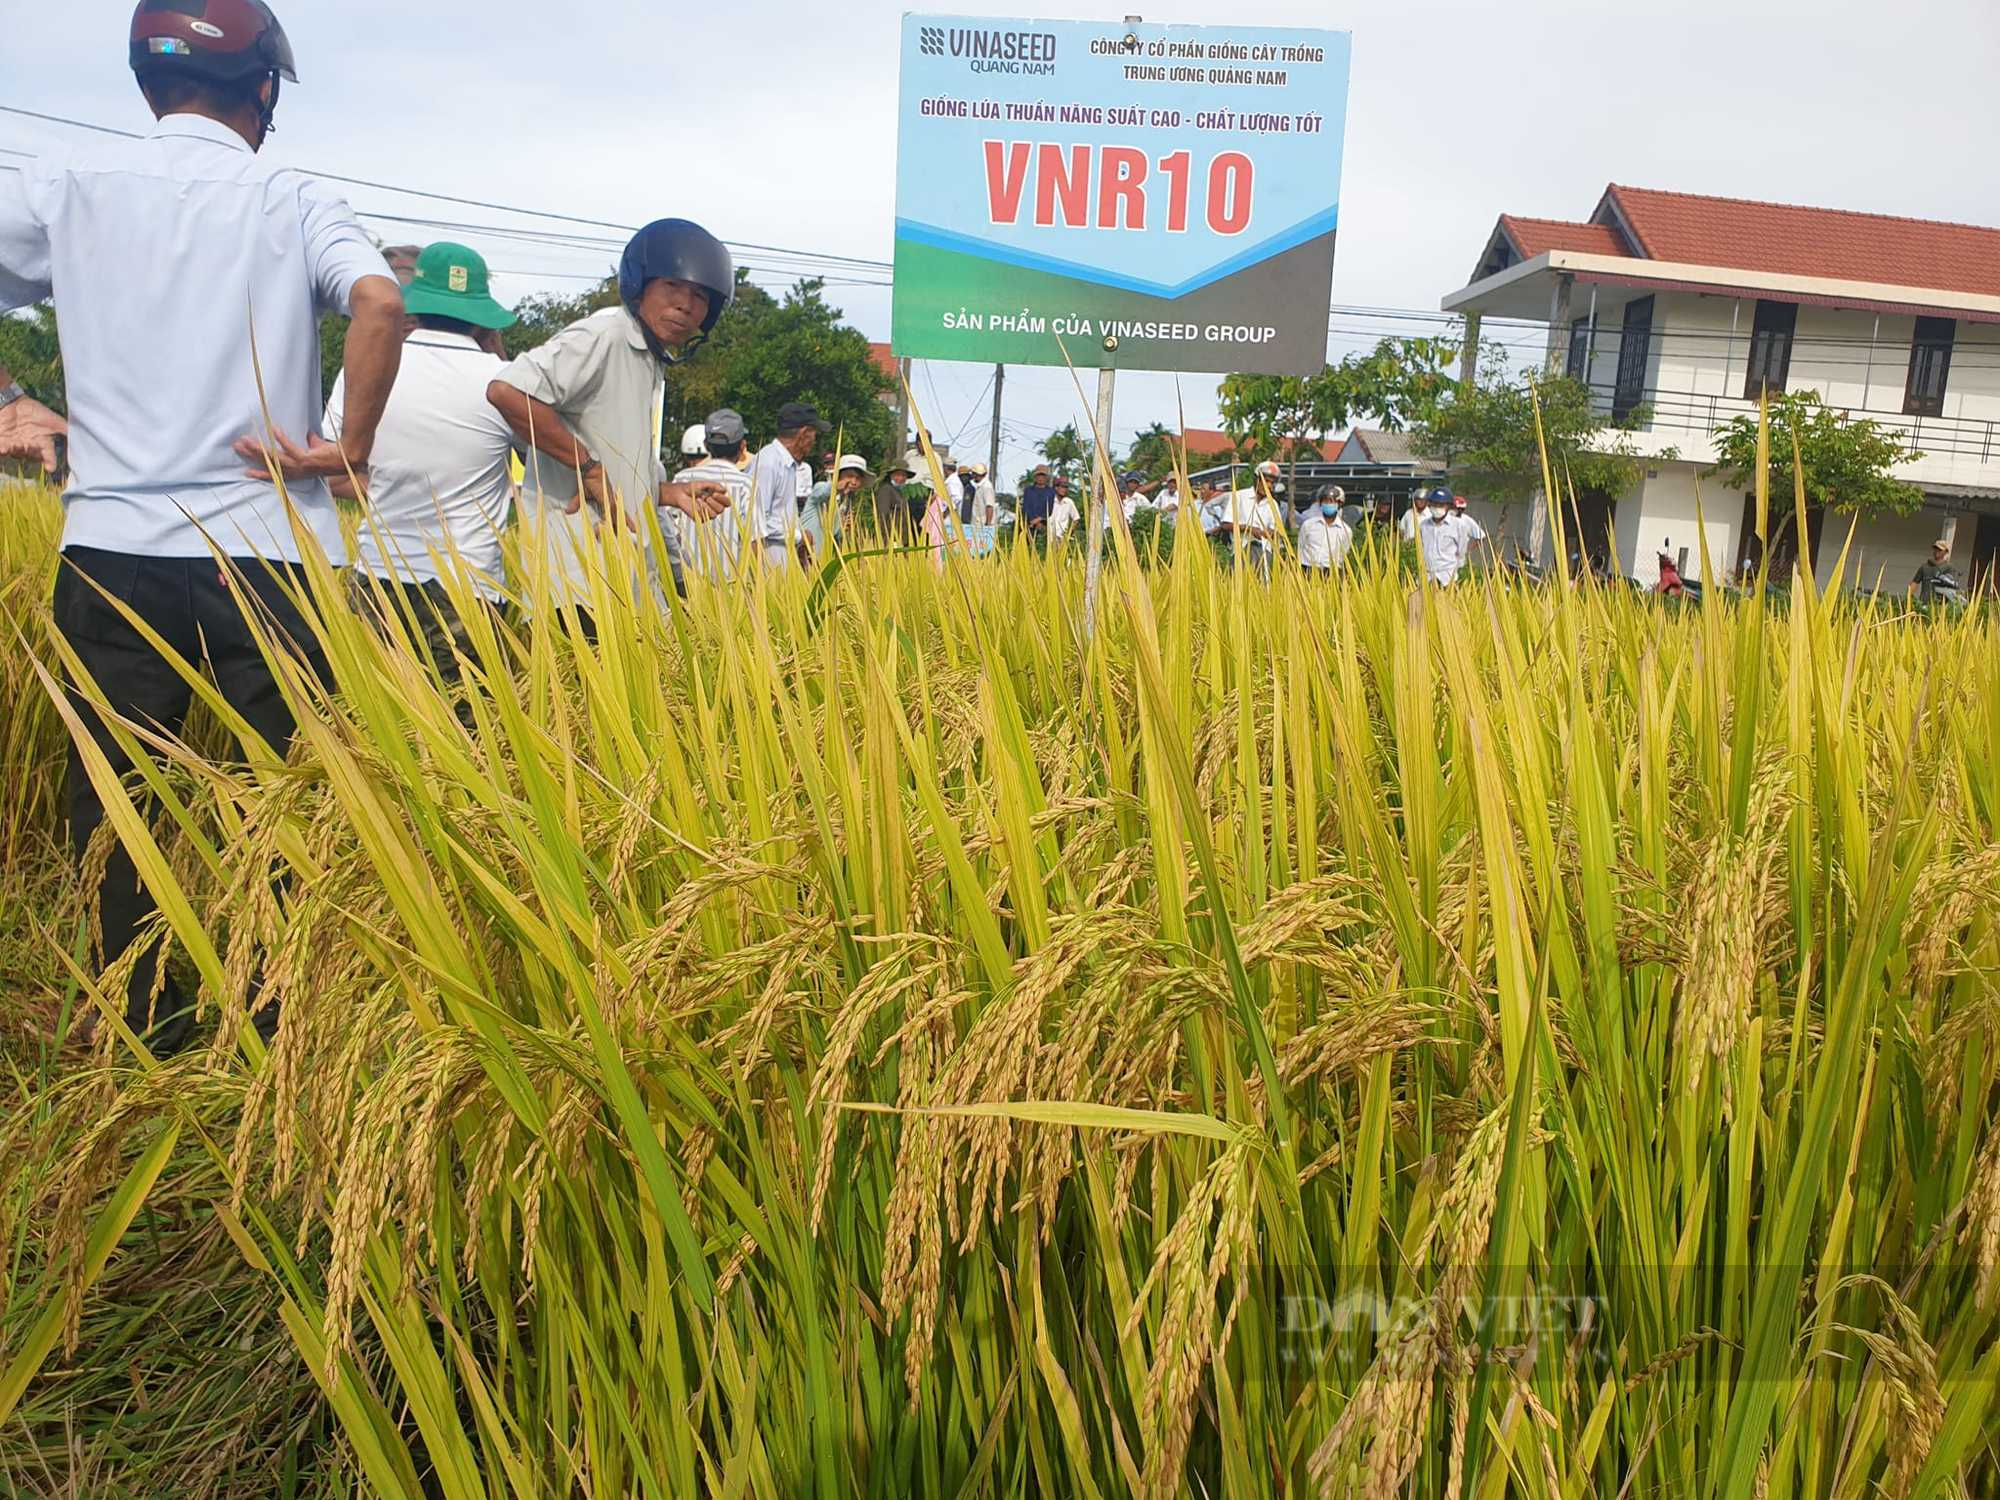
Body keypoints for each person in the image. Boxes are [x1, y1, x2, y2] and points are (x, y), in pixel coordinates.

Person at [0, 0, 404, 1050]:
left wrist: (10, 398)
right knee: (288, 795)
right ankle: (276, 1021)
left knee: (121, 800)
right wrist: (347, 448)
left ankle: (139, 1024)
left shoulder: (68, 183)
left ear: (147, 84)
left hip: (111, 556)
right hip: (263, 556)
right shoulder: (295, 194)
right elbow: (378, 303)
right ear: (264, 88)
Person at [488, 218, 734, 628]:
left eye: (699, 296)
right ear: (640, 284)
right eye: (672, 286)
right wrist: (587, 467)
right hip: (579, 589)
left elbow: (613, 458)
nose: (685, 305)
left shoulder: (646, 358)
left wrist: (668, 493)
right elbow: (508, 391)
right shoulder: (607, 335)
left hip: (620, 582)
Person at [325, 241, 517, 683]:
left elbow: (334, 465)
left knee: (379, 721)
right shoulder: (504, 382)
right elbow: (540, 460)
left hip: (377, 574)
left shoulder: (365, 370)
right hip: (468, 589)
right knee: (469, 730)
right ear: (482, 317)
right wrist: (500, 355)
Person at [665, 409, 756, 582]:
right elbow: (755, 541)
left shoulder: (682, 479)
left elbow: (670, 532)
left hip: (688, 585)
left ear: (707, 445)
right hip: (731, 588)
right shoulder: (746, 485)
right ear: (742, 446)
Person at [749, 402, 829, 569]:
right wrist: (800, 536)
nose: (814, 441)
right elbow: (756, 521)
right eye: (814, 434)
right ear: (804, 433)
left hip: (782, 562)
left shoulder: (787, 464)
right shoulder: (768, 463)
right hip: (767, 564)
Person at [1297, 484, 1352, 575]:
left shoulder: (1345, 530)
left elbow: (1342, 555)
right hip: (1307, 570)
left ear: (1339, 503)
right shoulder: (1309, 525)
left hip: (1330, 573)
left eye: (1331, 501)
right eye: (1325, 501)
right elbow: (1301, 546)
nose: (1328, 504)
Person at [874, 455, 917, 539]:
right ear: (891, 475)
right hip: (890, 539)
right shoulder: (886, 490)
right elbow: (882, 516)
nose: (900, 478)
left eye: (904, 475)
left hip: (900, 538)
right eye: (897, 475)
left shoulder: (900, 492)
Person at [1910, 539, 1962, 603]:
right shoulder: (1925, 567)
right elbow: (1915, 583)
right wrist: (1908, 597)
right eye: (1935, 548)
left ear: (1946, 552)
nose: (1937, 551)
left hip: (1939, 605)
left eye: (1940, 549)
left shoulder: (1949, 568)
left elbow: (1952, 588)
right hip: (1923, 603)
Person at [1020, 465, 1057, 533]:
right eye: (1038, 475)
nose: (1040, 478)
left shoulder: (1051, 492)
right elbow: (1026, 508)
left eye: (1043, 475)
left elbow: (1051, 509)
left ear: (1047, 477)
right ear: (1035, 477)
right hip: (1029, 525)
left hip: (1045, 526)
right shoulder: (1028, 491)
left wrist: (1040, 519)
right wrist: (1033, 521)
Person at [1048, 476, 1081, 542]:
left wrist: (1069, 533)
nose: (1064, 490)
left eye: (1066, 487)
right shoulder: (1049, 501)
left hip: (1062, 539)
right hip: (1049, 538)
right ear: (1056, 488)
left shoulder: (1069, 502)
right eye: (1062, 487)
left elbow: (1076, 519)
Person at [967, 461, 998, 526]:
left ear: (976, 474)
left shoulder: (986, 486)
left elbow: (989, 506)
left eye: (973, 473)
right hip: (978, 524)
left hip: (983, 524)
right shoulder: (980, 486)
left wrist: (988, 524)